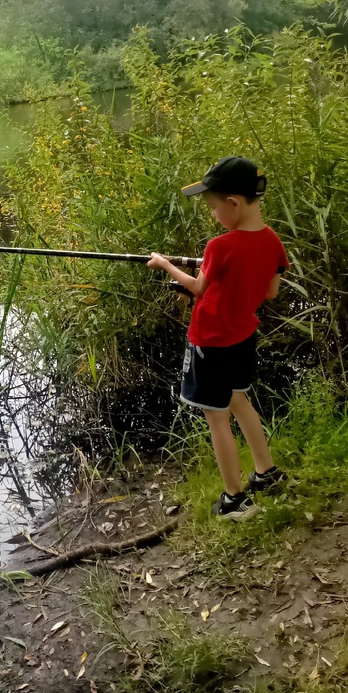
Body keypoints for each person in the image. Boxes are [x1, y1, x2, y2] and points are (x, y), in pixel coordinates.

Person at [147, 156, 289, 520]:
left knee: (217, 417)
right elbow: (270, 290)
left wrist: (164, 264)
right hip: (243, 336)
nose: (213, 215)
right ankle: (266, 472)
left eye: (213, 208)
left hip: (210, 341)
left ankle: (234, 499)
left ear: (234, 204)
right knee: (240, 401)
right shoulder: (272, 240)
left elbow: (197, 288)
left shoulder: (219, 247)